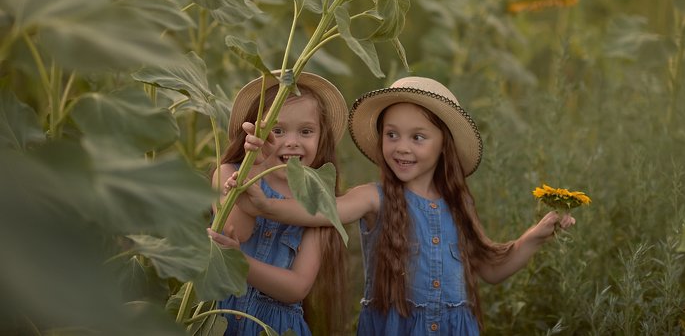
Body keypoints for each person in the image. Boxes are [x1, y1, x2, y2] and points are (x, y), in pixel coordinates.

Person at [227, 75, 576, 335]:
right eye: (391, 135)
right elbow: (321, 210)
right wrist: (264, 205)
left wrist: (533, 237)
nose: (401, 147)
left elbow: (490, 269)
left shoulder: (459, 203)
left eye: (417, 137)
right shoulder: (373, 196)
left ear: (445, 145)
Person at [208, 71, 350, 336]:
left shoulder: (319, 204)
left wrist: (240, 261)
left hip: (277, 327)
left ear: (322, 138)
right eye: (277, 130)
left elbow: (297, 287)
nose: (292, 141)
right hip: (218, 318)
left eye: (306, 131)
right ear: (255, 133)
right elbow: (237, 232)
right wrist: (252, 168)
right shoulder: (227, 173)